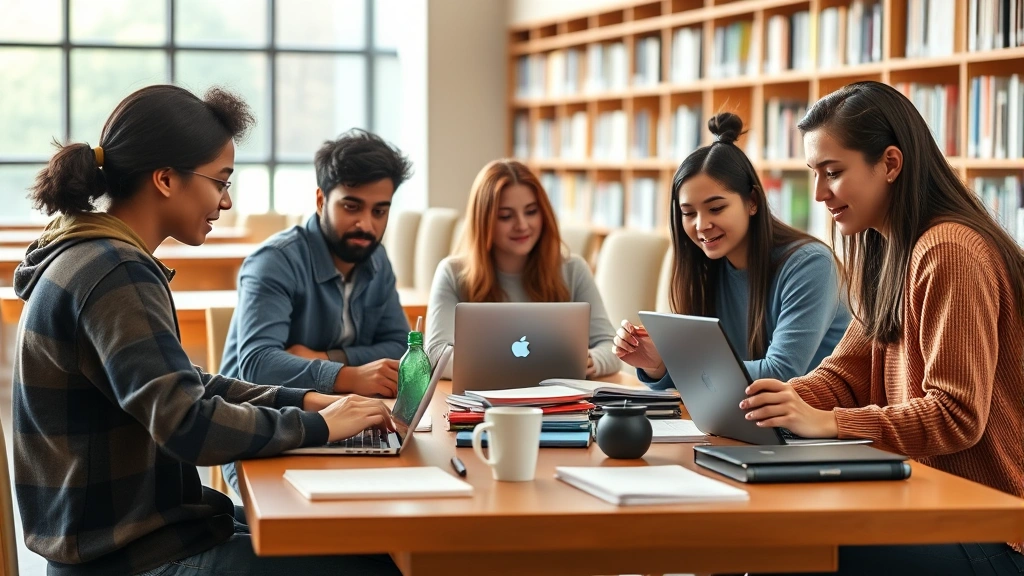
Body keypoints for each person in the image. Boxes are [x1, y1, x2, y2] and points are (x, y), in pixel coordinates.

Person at [12, 85, 400, 576]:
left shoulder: (99, 254)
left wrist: (303, 401)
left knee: (366, 541)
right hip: (125, 557)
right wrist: (321, 426)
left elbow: (186, 385)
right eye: (220, 181)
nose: (227, 201)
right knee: (377, 565)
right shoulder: (115, 272)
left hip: (143, 530)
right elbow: (188, 425)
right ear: (166, 179)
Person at [741, 81, 1024, 574]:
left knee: (792, 550)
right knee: (762, 535)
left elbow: (957, 414)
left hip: (993, 530)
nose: (819, 193)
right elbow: (843, 379)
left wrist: (828, 423)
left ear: (890, 164)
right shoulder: (887, 251)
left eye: (833, 172)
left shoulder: (950, 251)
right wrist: (774, 401)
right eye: (815, 174)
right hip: (928, 503)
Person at [218, 129, 412, 492]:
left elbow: (399, 346)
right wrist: (351, 376)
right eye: (351, 206)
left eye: (379, 211)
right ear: (322, 200)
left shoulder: (376, 260)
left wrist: (324, 358)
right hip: (265, 430)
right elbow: (258, 364)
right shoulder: (274, 261)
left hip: (348, 421)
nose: (366, 225)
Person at [613, 112, 850, 389]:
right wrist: (657, 364)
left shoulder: (811, 265)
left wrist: (678, 364)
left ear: (752, 201)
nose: (701, 225)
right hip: (745, 418)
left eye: (716, 208)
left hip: (813, 424)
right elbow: (699, 384)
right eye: (688, 213)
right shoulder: (706, 268)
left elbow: (780, 373)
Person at [425, 159, 621, 379]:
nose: (522, 225)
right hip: (483, 403)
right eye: (506, 216)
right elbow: (435, 355)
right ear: (484, 221)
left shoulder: (573, 270)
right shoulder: (453, 273)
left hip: (557, 401)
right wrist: (521, 366)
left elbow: (611, 347)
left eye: (531, 211)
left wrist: (591, 361)